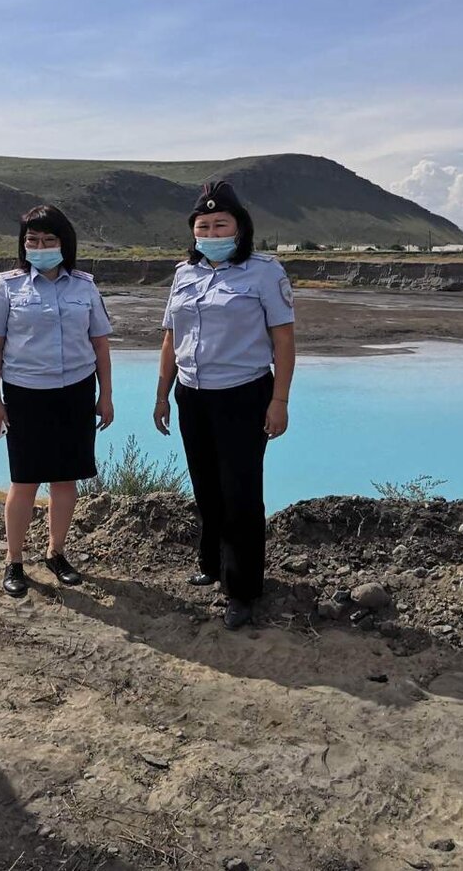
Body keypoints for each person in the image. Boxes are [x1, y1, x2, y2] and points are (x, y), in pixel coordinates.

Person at [153, 181, 296, 630]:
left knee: (240, 493)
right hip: (192, 394)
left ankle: (243, 590)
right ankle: (212, 564)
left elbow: (283, 340)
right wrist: (162, 393)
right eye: (203, 226)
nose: (211, 233)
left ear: (239, 228)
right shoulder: (184, 274)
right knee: (206, 487)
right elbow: (171, 338)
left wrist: (279, 400)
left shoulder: (264, 272)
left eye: (220, 225)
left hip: (243, 394)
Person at [0, 205, 114, 598]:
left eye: (48, 240)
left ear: (64, 243)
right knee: (24, 480)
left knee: (65, 479)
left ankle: (56, 553)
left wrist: (106, 395)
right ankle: (14, 561)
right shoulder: (7, 287)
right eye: (32, 240)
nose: (40, 247)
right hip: (25, 395)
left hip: (75, 392)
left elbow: (100, 345)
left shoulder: (84, 287)